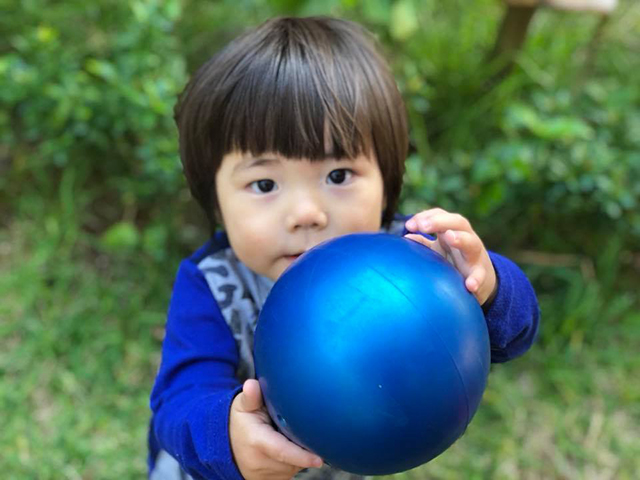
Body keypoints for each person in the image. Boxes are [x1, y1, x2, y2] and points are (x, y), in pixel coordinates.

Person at [148, 16, 540, 480]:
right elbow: (178, 401)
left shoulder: (409, 261)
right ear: (215, 200)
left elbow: (515, 335)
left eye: (338, 176)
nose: (306, 213)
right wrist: (226, 438)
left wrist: (486, 286)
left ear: (387, 180)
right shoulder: (213, 284)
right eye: (265, 183)